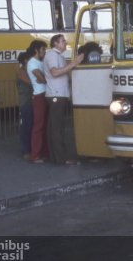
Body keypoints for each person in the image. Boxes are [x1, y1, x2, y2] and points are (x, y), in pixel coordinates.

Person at [43, 34, 84, 165]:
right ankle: (61, 158)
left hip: (58, 94)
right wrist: (73, 63)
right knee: (57, 128)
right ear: (55, 43)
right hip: (56, 94)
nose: (65, 43)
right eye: (62, 41)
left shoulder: (58, 56)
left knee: (54, 127)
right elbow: (55, 73)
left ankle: (55, 157)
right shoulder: (52, 56)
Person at [26, 39, 48, 163]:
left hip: (44, 94)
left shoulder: (41, 62)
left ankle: (43, 152)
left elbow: (44, 78)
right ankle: (35, 155)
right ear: (36, 50)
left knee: (44, 125)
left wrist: (44, 78)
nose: (45, 52)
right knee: (38, 126)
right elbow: (42, 79)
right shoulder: (32, 63)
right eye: (43, 49)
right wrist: (44, 78)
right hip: (39, 96)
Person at [16, 52, 33, 160]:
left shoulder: (27, 70)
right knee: (26, 126)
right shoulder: (21, 71)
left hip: (30, 101)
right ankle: (25, 150)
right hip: (25, 102)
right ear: (26, 60)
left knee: (30, 126)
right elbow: (30, 82)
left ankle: (30, 149)